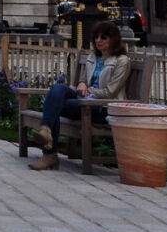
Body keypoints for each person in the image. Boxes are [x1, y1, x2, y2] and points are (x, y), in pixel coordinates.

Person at [27, 19, 131, 171]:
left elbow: (110, 92)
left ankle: (49, 154)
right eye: (96, 37)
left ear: (113, 39)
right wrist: (82, 83)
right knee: (58, 88)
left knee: (55, 104)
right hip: (83, 99)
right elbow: (83, 80)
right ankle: (45, 131)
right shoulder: (92, 57)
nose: (98, 40)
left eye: (103, 37)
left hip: (101, 107)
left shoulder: (122, 61)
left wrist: (88, 90)